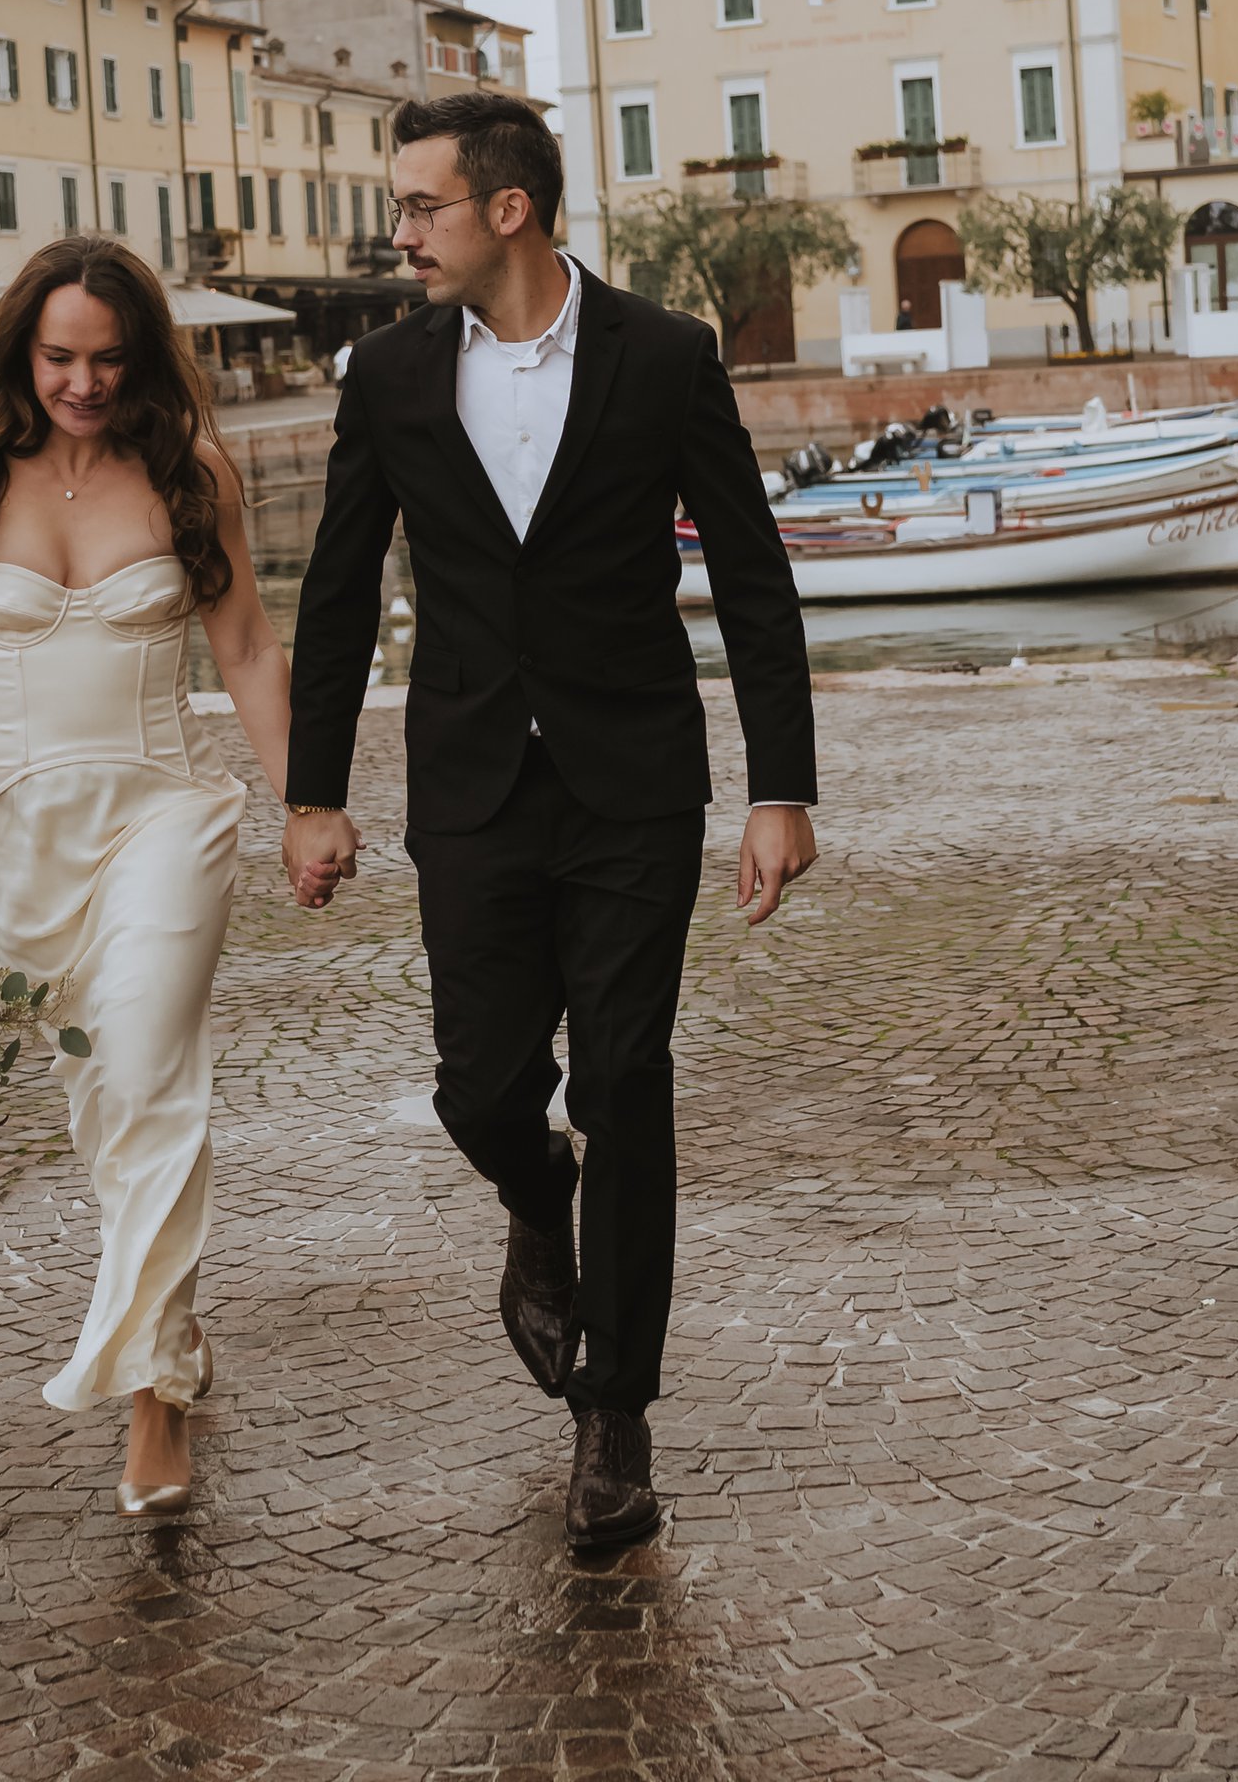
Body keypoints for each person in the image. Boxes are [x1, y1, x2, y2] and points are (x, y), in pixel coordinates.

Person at [282, 93, 817, 1552]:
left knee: (627, 1079)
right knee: (481, 1089)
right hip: (468, 784)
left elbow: (754, 581)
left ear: (506, 208)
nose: (401, 235)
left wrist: (780, 789)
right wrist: (315, 795)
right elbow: (338, 590)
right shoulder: (388, 374)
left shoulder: (666, 356)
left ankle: (613, 1419)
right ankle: (538, 1192)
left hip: (633, 780)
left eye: (422, 207)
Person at [0, 234, 291, 1520]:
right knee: (105, 1098)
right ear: (22, 353)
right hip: (21, 834)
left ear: (142, 358)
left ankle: (153, 1396)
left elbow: (247, 646)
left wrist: (308, 804)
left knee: (151, 1067)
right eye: (59, 357)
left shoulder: (189, 471)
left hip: (167, 813)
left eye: (108, 359)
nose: (84, 383)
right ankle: (177, 1330)